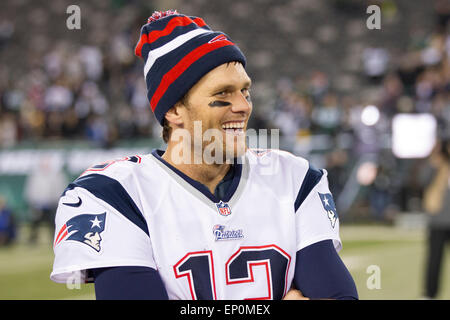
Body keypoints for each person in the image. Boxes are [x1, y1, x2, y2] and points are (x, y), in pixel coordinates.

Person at [51, 10, 358, 300]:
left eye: (245, 91)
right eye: (222, 94)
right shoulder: (114, 195)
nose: (243, 106)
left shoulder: (295, 179)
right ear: (173, 110)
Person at [423, 137, 450, 299]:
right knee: (434, 259)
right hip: (439, 220)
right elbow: (422, 179)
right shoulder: (436, 165)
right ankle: (430, 293)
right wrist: (434, 157)